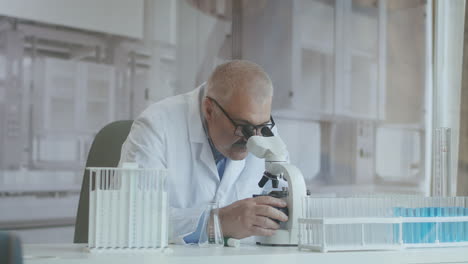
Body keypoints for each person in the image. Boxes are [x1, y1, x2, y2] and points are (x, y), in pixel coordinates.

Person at [119, 60, 288, 244]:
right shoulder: (156, 127)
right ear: (209, 109)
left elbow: (283, 200)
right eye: (243, 127)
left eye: (262, 127)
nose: (252, 139)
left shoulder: (262, 132)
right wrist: (217, 222)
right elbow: (132, 218)